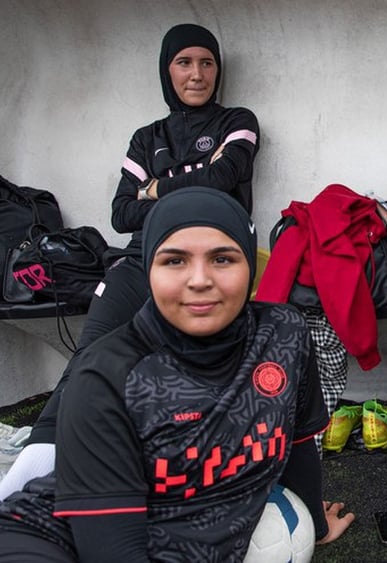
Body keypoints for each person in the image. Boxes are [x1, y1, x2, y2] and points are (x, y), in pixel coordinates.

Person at [0, 188, 353, 561]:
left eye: (222, 259)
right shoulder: (106, 374)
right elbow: (113, 550)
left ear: (249, 264)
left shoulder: (284, 334)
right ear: (150, 269)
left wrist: (317, 523)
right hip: (50, 537)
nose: (199, 280)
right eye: (174, 261)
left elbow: (297, 443)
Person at [0, 22, 260, 501]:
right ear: (167, 71)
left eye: (207, 63)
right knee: (91, 356)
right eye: (184, 63)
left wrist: (156, 188)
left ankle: (198, 476)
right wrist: (186, 185)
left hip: (215, 259)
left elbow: (223, 179)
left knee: (193, 366)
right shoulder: (147, 138)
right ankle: (32, 471)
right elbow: (122, 214)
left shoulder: (237, 120)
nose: (197, 74)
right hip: (142, 259)